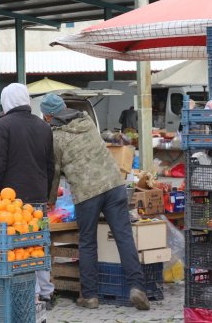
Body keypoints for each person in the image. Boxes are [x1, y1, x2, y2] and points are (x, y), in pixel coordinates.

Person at [40, 93, 150, 311]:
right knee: (124, 237)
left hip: (87, 192)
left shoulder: (57, 138)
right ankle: (137, 287)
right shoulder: (87, 122)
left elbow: (54, 172)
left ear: (50, 116)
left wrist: (50, 200)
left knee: (88, 242)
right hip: (114, 184)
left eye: (45, 116)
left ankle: (90, 296)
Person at [0, 83, 56, 309]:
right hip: (37, 195)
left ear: (6, 101)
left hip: (12, 200)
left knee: (19, 246)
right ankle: (46, 291)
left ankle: (31, 295)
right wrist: (44, 193)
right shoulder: (43, 126)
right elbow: (50, 165)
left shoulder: (3, 125)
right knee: (39, 242)